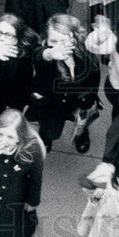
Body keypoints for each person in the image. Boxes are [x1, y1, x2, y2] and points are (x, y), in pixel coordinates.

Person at [27, 13, 101, 154]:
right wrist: (49, 54)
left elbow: (93, 81)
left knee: (82, 122)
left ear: (74, 38)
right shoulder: (45, 55)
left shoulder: (87, 57)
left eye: (63, 40)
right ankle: (46, 137)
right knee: (51, 132)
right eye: (53, 41)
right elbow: (38, 56)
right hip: (52, 104)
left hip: (78, 101)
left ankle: (81, 135)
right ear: (46, 40)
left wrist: (88, 102)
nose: (59, 47)